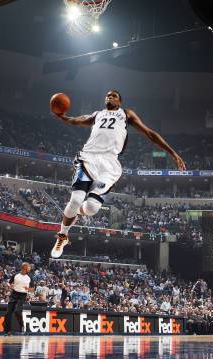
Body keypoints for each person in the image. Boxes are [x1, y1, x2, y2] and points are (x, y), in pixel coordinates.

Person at [50, 90, 186, 258]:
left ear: (120, 102)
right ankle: (63, 235)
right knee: (76, 198)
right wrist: (62, 117)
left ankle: (77, 212)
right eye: (108, 95)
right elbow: (77, 120)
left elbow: (150, 133)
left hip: (110, 164)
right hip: (88, 158)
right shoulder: (97, 115)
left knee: (91, 208)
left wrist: (173, 154)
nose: (110, 97)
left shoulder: (126, 114)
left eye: (114, 95)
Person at [3, 262, 34, 335]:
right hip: (14, 294)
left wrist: (28, 289)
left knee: (17, 311)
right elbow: (9, 283)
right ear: (23, 268)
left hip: (22, 295)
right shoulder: (16, 275)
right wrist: (10, 286)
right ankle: (7, 331)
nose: (26, 270)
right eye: (26, 268)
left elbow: (32, 289)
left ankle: (22, 326)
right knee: (8, 313)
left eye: (27, 269)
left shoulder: (29, 278)